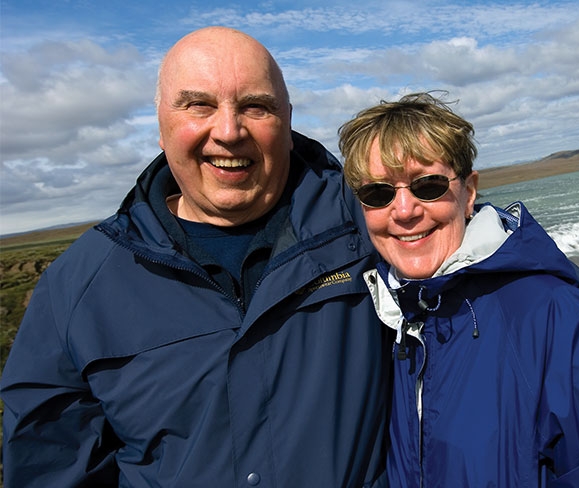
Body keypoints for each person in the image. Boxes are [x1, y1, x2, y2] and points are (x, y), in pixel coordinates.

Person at [1, 27, 390, 487]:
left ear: (287, 121)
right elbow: (51, 466)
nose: (228, 131)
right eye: (198, 105)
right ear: (161, 126)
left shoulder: (373, 222)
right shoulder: (77, 286)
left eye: (255, 106)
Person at [338, 93, 579, 487]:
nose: (404, 211)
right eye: (378, 193)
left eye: (428, 185)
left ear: (469, 192)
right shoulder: (378, 316)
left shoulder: (551, 312)